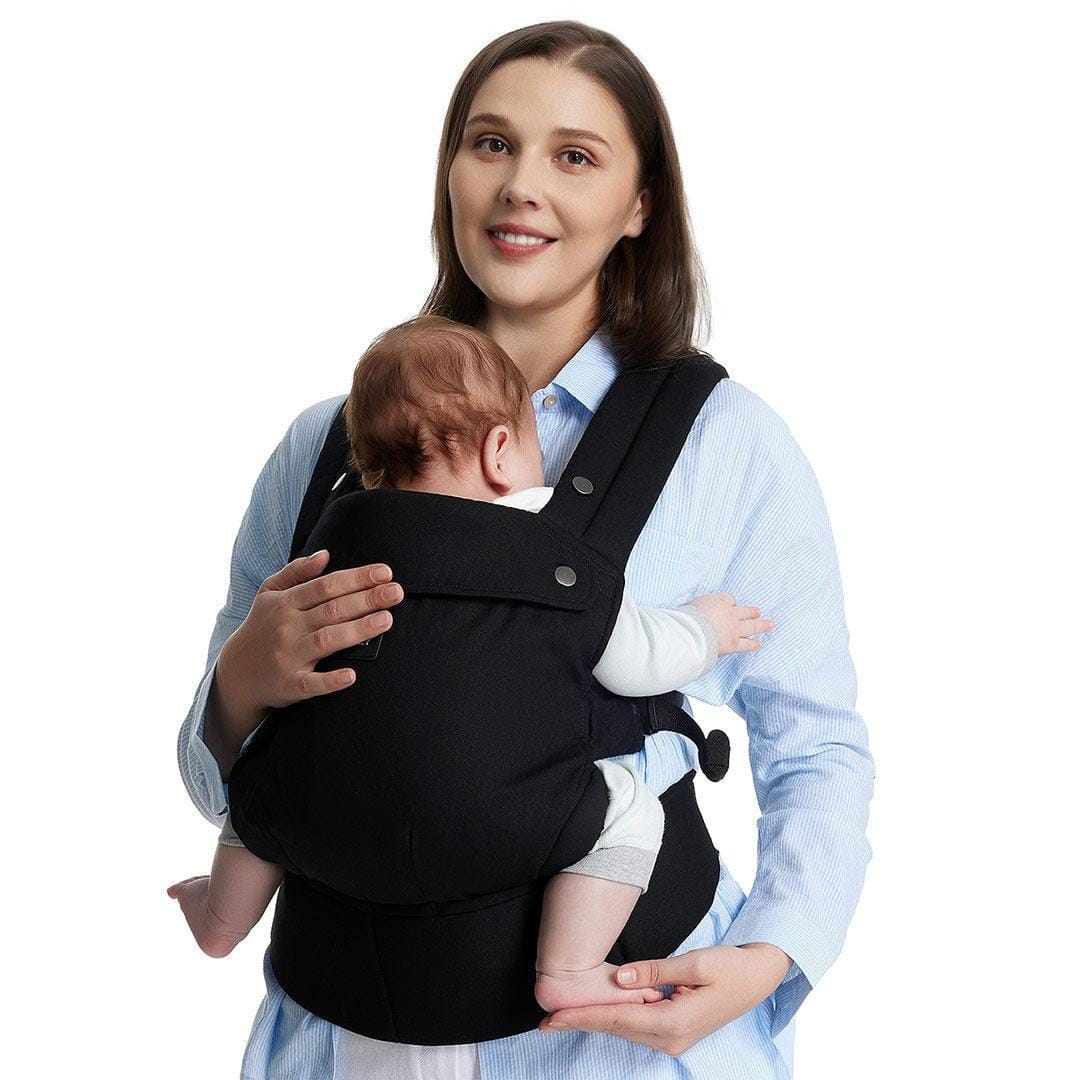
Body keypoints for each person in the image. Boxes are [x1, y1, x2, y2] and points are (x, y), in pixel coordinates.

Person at [175, 20, 874, 1080]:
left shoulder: (726, 447)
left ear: (641, 205)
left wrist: (772, 958)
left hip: (618, 1041)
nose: (521, 188)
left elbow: (817, 747)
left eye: (575, 156)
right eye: (491, 143)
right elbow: (225, 784)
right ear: (450, 168)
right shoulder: (324, 446)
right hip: (341, 1035)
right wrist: (236, 688)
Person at [167, 314, 775, 1014]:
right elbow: (639, 662)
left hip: (332, 816)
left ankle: (221, 919)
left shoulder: (327, 554)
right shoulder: (555, 557)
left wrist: (241, 687)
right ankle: (569, 967)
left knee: (268, 787)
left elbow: (238, 756)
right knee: (630, 809)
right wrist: (706, 629)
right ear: (499, 452)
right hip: (497, 817)